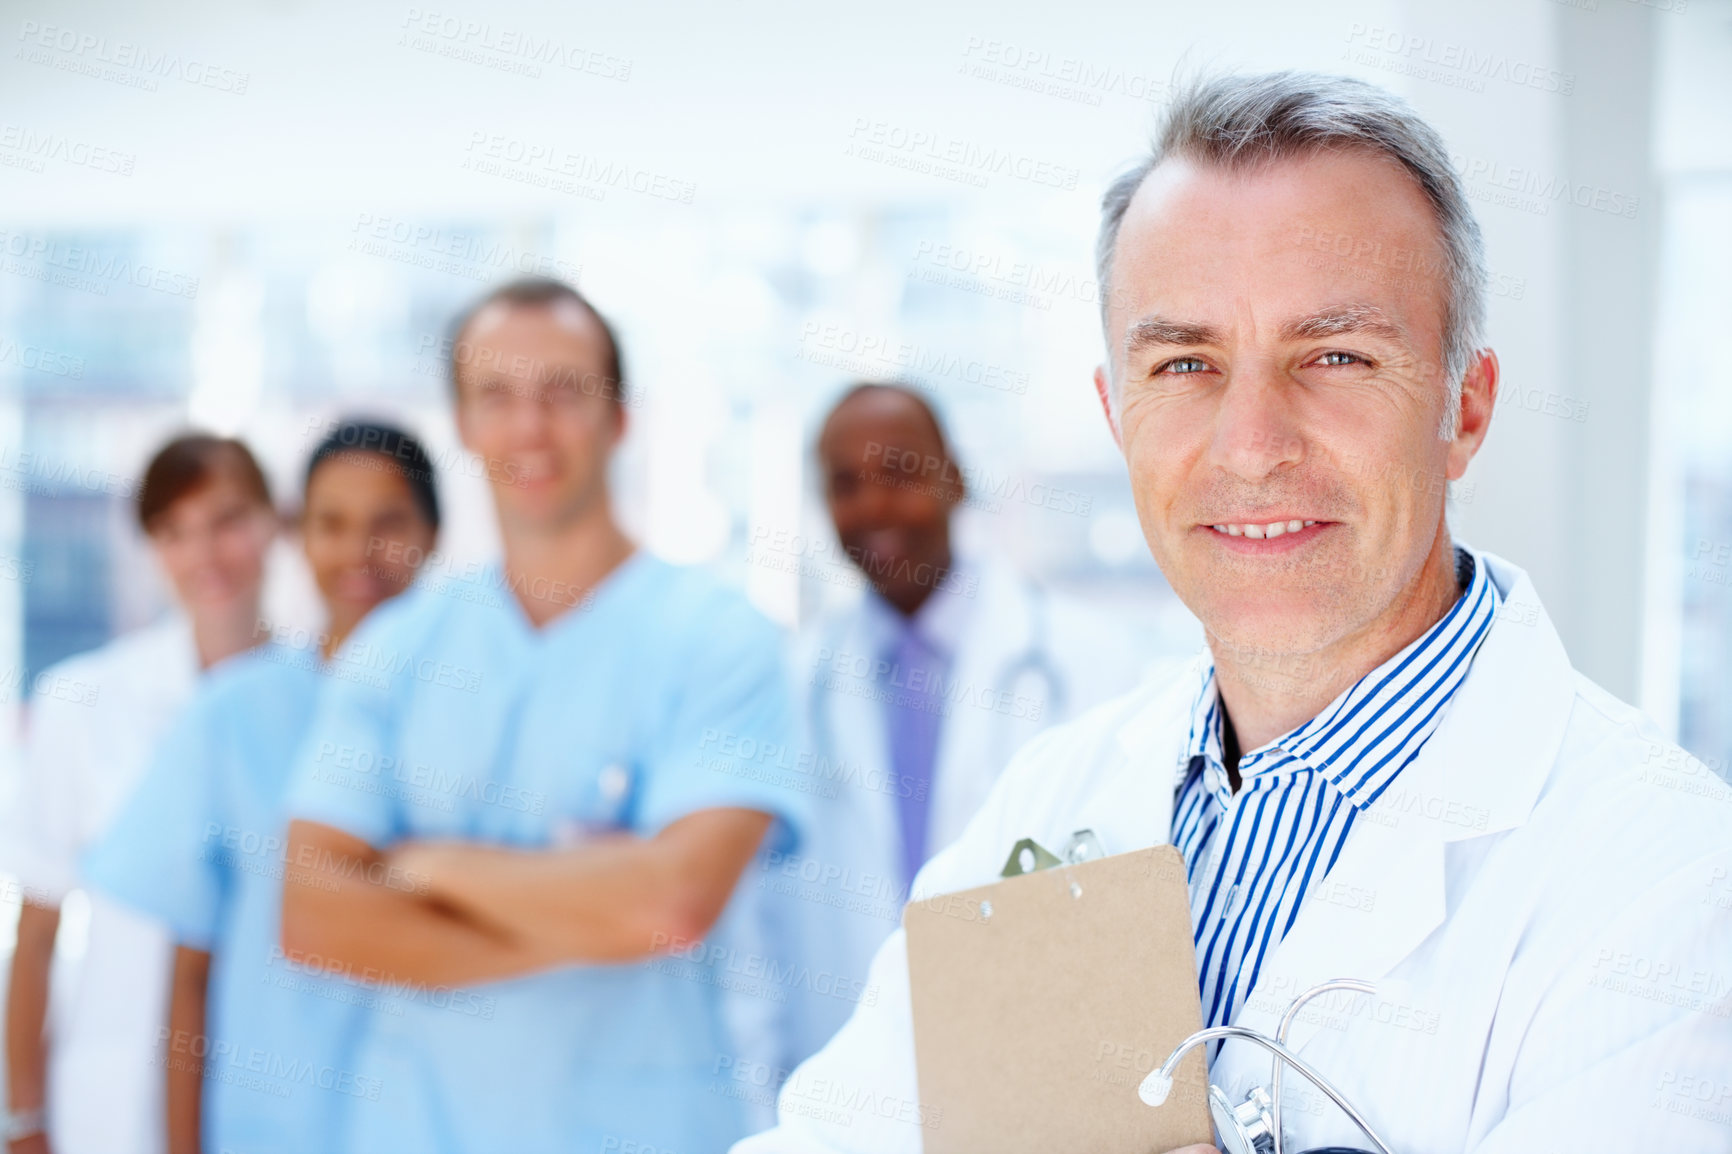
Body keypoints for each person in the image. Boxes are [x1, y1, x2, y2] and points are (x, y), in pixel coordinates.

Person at [735, 72, 1732, 1154]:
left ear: (1464, 406)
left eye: (1336, 355)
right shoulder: (1056, 797)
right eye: (1185, 363)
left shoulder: (1664, 883)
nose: (1252, 442)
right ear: (1117, 412)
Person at [279, 278, 809, 1154]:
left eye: (563, 393)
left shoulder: (722, 641)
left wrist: (428, 865)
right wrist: (593, 910)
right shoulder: (395, 648)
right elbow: (315, 916)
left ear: (620, 418)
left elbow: (669, 907)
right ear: (462, 423)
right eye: (498, 396)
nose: (530, 427)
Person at [773, 382, 1162, 1065]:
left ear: (953, 478)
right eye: (845, 484)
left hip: (1037, 1066)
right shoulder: (797, 685)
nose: (873, 505)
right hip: (854, 1080)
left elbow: (1135, 900)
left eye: (899, 472)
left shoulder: (1086, 661)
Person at [81, 421, 442, 1154]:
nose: (358, 553)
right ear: (297, 537)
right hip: (273, 1127)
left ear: (433, 535)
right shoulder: (236, 715)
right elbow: (190, 974)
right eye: (331, 524)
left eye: (388, 523)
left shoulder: (487, 717)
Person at [3, 436, 277, 1154]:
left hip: (273, 1091)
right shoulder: (82, 700)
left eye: (228, 521)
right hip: (113, 1099)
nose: (206, 555)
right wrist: (23, 1120)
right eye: (176, 533)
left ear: (273, 521)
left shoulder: (320, 701)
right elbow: (35, 934)